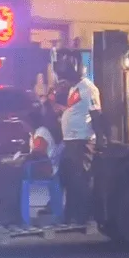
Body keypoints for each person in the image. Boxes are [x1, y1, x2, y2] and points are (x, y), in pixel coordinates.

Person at [55, 52, 107, 226]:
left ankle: (83, 215)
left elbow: (96, 113)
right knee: (70, 178)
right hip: (71, 141)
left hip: (82, 141)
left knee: (82, 178)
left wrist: (100, 137)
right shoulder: (74, 88)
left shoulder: (88, 88)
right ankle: (71, 214)